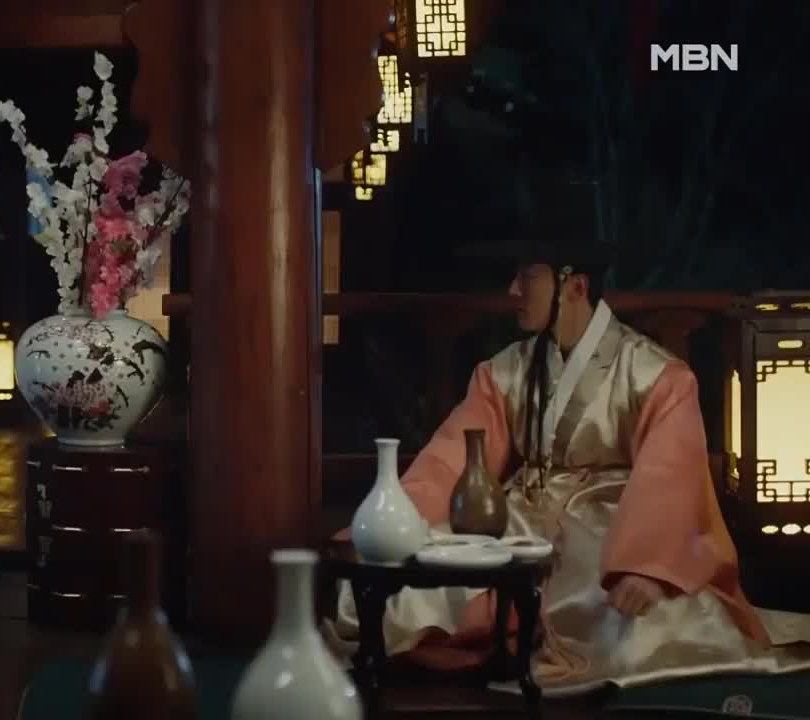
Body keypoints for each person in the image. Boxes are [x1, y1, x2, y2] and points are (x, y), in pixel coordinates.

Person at [326, 178, 810, 695]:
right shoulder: (505, 372)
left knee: (630, 620)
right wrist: (392, 521)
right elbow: (451, 459)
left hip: (611, 528)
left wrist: (644, 566)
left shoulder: (655, 375)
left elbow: (669, 478)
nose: (512, 291)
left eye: (527, 276)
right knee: (405, 591)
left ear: (574, 286)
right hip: (518, 521)